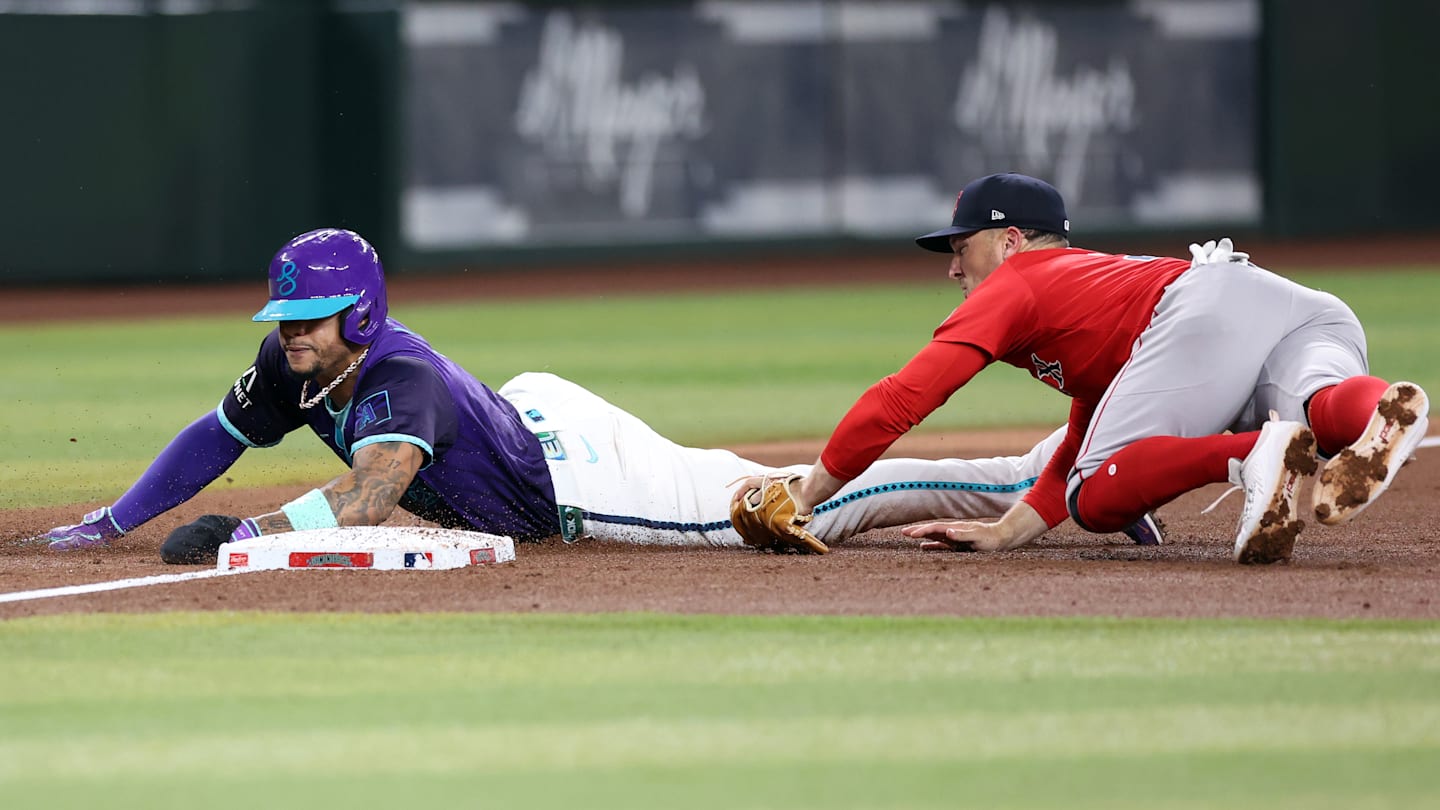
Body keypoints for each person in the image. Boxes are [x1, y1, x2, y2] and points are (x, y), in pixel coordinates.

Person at [33, 227, 1130, 563]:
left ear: (357, 317)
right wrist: (114, 520)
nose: (289, 337)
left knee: (786, 506)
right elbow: (216, 432)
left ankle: (1048, 472)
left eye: (308, 320)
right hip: (532, 418)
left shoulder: (398, 377)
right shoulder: (301, 363)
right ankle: (1054, 465)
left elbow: (370, 500)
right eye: (284, 319)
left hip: (580, 478)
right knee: (750, 484)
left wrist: (244, 538)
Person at [741, 172, 1429, 564]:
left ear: (1010, 242)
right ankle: (1378, 411)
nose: (953, 267)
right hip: (1287, 303)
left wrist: (809, 491)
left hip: (1200, 311)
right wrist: (1010, 529)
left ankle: (1256, 452)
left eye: (962, 247)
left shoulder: (1018, 283)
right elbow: (1086, 427)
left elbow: (906, 396)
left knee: (1096, 496)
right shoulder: (1089, 286)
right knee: (1320, 403)